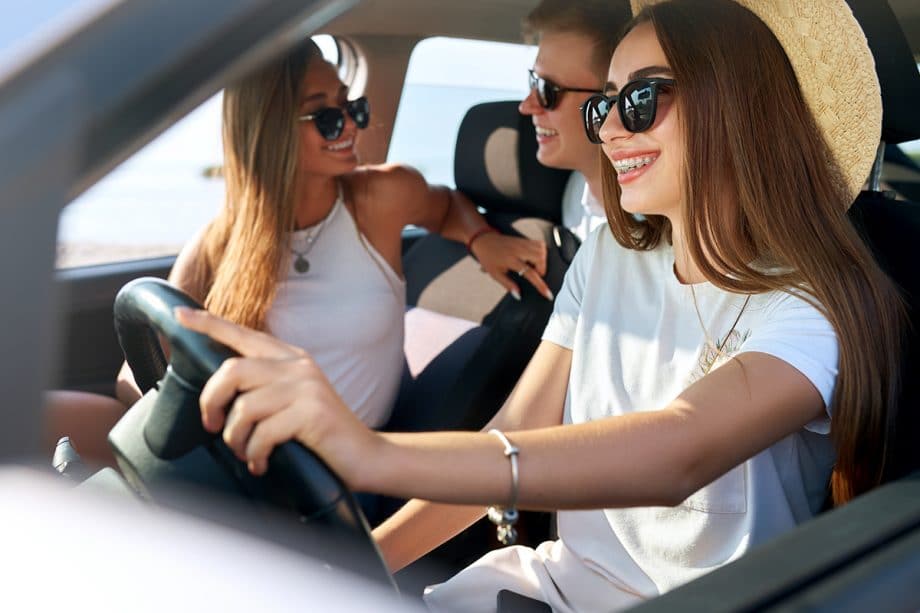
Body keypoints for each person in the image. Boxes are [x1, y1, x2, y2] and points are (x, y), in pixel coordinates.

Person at [176, 0, 905, 610]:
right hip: (547, 587)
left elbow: (679, 450)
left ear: (737, 107)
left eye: (641, 100)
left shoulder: (808, 307)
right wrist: (361, 566)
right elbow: (516, 428)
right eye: (607, 104)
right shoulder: (612, 256)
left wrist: (369, 455)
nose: (611, 127)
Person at [46, 39, 553, 465]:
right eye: (328, 117)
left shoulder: (380, 197)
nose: (352, 127)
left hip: (333, 478)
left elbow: (443, 207)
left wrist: (482, 239)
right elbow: (134, 375)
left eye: (350, 106)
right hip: (241, 458)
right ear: (270, 132)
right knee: (34, 422)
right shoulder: (219, 242)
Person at [519, 1, 629, 241]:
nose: (526, 106)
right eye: (534, 82)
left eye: (548, 89)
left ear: (611, 101)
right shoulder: (577, 190)